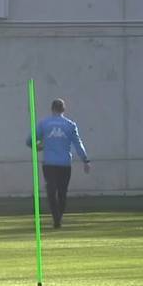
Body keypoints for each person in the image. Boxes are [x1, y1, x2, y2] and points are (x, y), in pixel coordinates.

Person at [26, 98, 90, 228]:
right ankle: (58, 218)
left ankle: (56, 219)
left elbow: (29, 140)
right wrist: (85, 160)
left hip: (49, 163)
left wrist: (39, 147)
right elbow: (78, 144)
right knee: (62, 192)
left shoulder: (44, 124)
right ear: (63, 110)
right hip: (65, 164)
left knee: (51, 190)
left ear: (52, 109)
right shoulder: (70, 125)